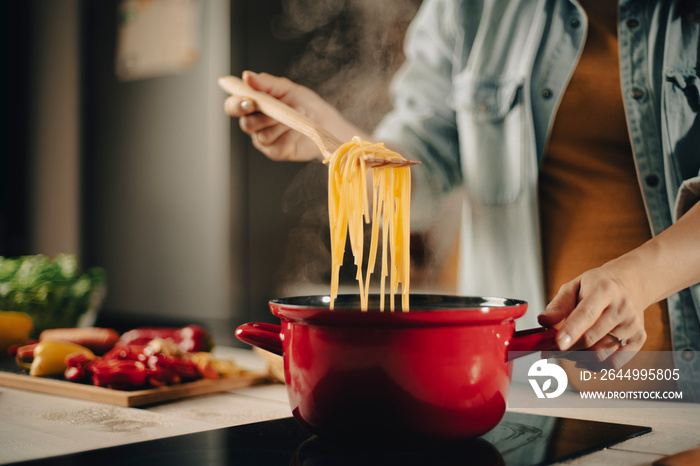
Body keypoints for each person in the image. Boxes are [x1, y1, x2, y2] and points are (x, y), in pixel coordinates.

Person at [224, 0, 700, 398]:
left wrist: (636, 280)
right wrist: (328, 138)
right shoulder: (470, 7)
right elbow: (416, 177)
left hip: (684, 385)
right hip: (527, 386)